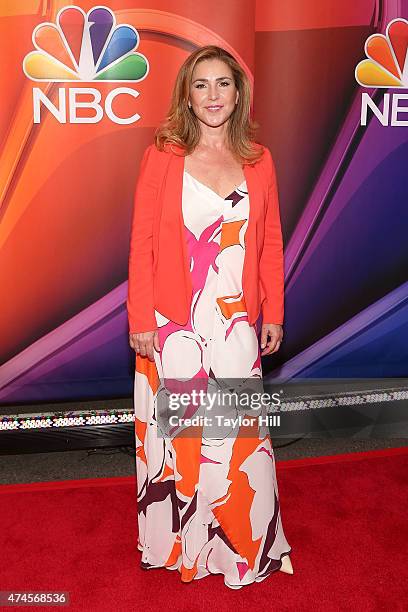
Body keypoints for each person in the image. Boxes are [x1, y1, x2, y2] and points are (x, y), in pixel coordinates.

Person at [127, 44, 293, 589]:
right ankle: (187, 547)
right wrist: (141, 318)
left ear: (238, 93)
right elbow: (143, 242)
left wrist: (274, 308)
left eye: (224, 84)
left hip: (236, 318)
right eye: (202, 84)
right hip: (174, 320)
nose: (213, 95)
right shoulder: (163, 155)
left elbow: (270, 242)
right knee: (186, 437)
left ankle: (240, 549)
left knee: (239, 439)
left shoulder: (260, 159)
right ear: (186, 93)